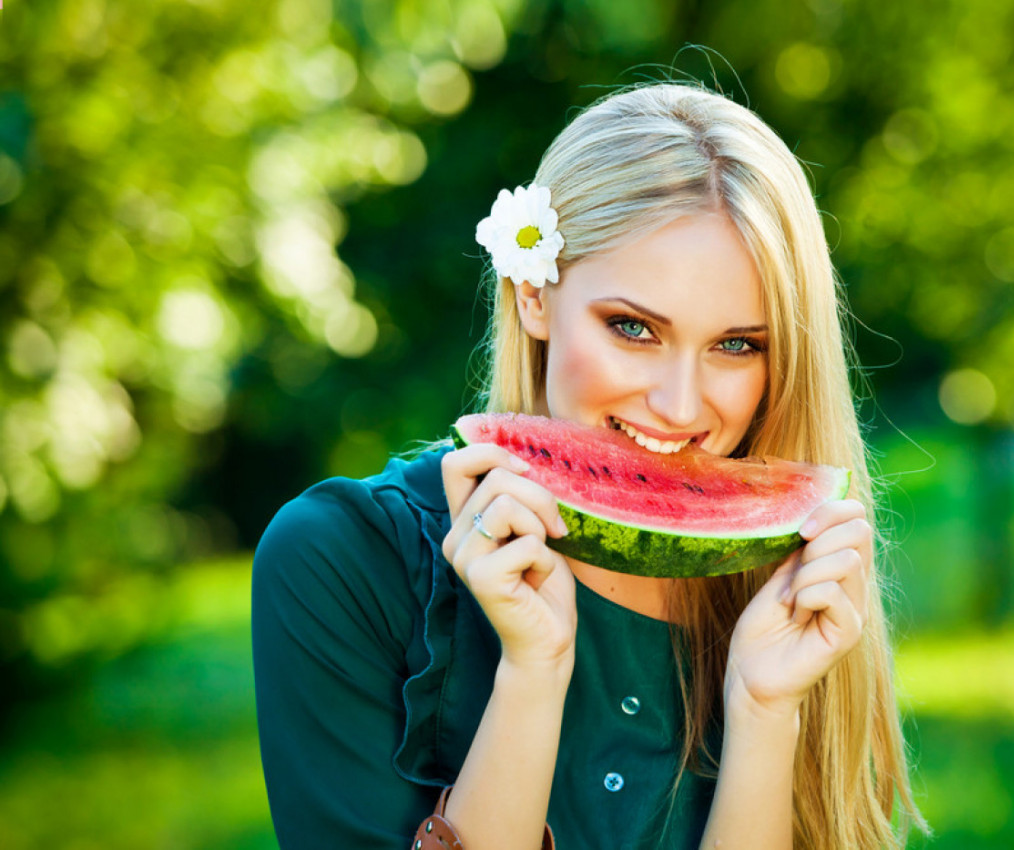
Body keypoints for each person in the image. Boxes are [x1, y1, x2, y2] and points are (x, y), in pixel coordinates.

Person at [252, 82, 927, 850]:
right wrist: (532, 677)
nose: (679, 405)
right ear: (533, 293)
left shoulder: (787, 596)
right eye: (633, 328)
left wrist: (764, 712)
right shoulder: (342, 561)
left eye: (737, 345)